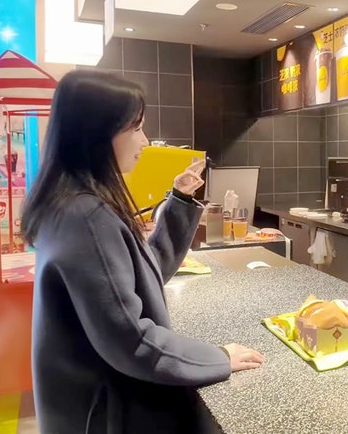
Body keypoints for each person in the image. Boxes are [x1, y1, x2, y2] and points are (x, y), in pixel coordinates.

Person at [22, 71, 264, 433]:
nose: (144, 141)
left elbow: (141, 276)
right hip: (104, 416)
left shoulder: (70, 203)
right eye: (135, 128)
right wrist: (218, 358)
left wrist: (180, 200)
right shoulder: (86, 216)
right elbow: (131, 339)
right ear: (98, 132)